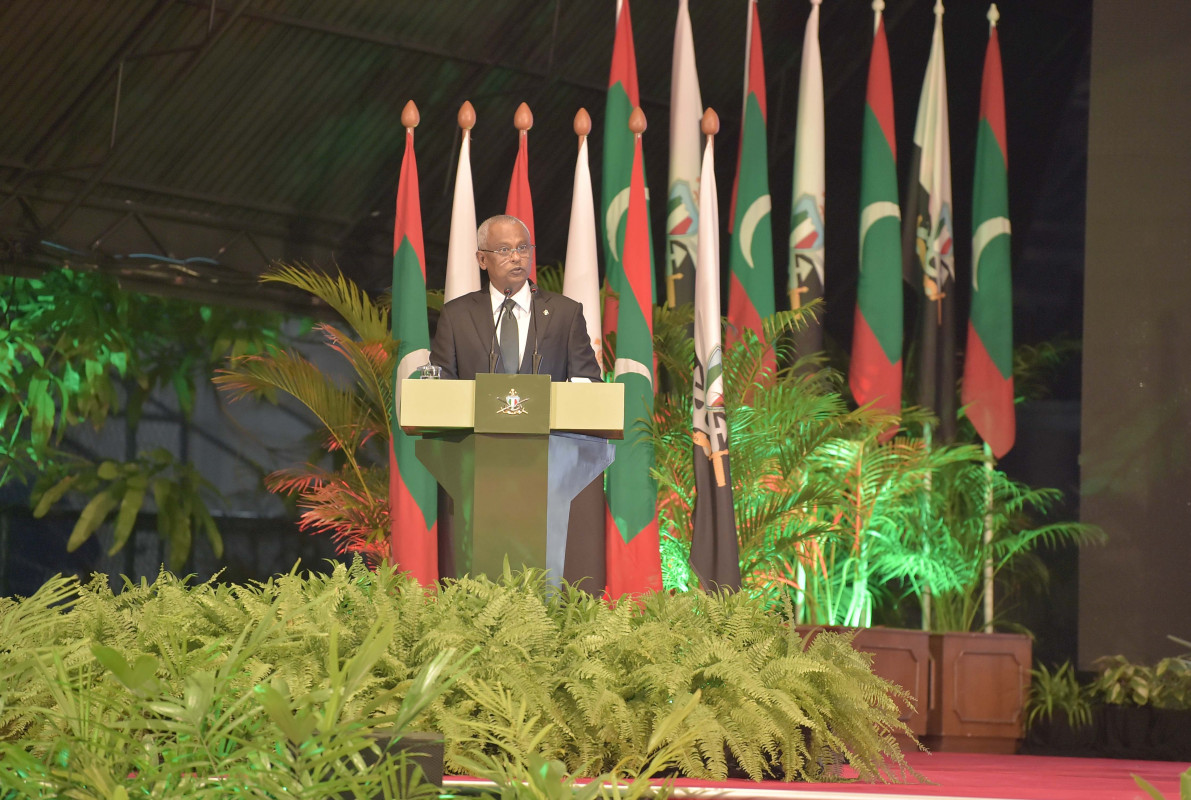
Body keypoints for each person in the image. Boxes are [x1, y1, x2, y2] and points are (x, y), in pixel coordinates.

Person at [430, 215, 601, 382]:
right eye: (504, 250)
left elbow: (588, 383)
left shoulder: (566, 313)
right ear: (482, 259)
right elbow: (442, 385)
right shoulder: (457, 315)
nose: (516, 257)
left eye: (523, 248)